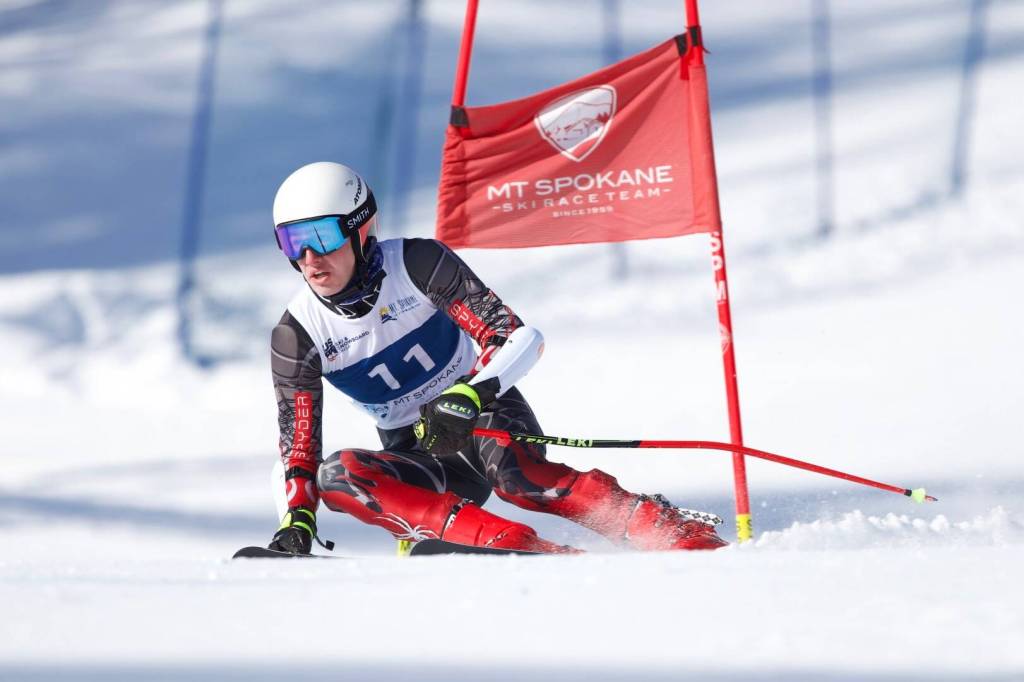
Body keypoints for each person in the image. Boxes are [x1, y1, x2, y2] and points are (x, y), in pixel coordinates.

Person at [266, 161, 727, 555]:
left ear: (360, 229)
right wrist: (297, 522)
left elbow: (517, 336)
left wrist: (473, 390)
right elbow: (299, 447)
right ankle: (519, 549)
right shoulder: (297, 335)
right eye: (291, 242)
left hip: (483, 411)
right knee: (338, 477)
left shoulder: (418, 264)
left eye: (321, 237)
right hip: (421, 453)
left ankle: (667, 530)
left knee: (519, 480)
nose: (308, 257)